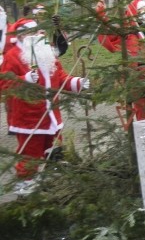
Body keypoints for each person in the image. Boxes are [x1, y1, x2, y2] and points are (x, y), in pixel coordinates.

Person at [0, 20, 89, 181]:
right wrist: (24, 79)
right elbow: (3, 84)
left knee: (56, 152)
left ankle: (54, 184)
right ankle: (26, 192)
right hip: (29, 119)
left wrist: (77, 82)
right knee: (30, 158)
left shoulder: (48, 54)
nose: (39, 35)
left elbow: (60, 77)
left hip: (52, 117)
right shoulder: (12, 57)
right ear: (21, 36)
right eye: (33, 33)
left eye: (40, 32)